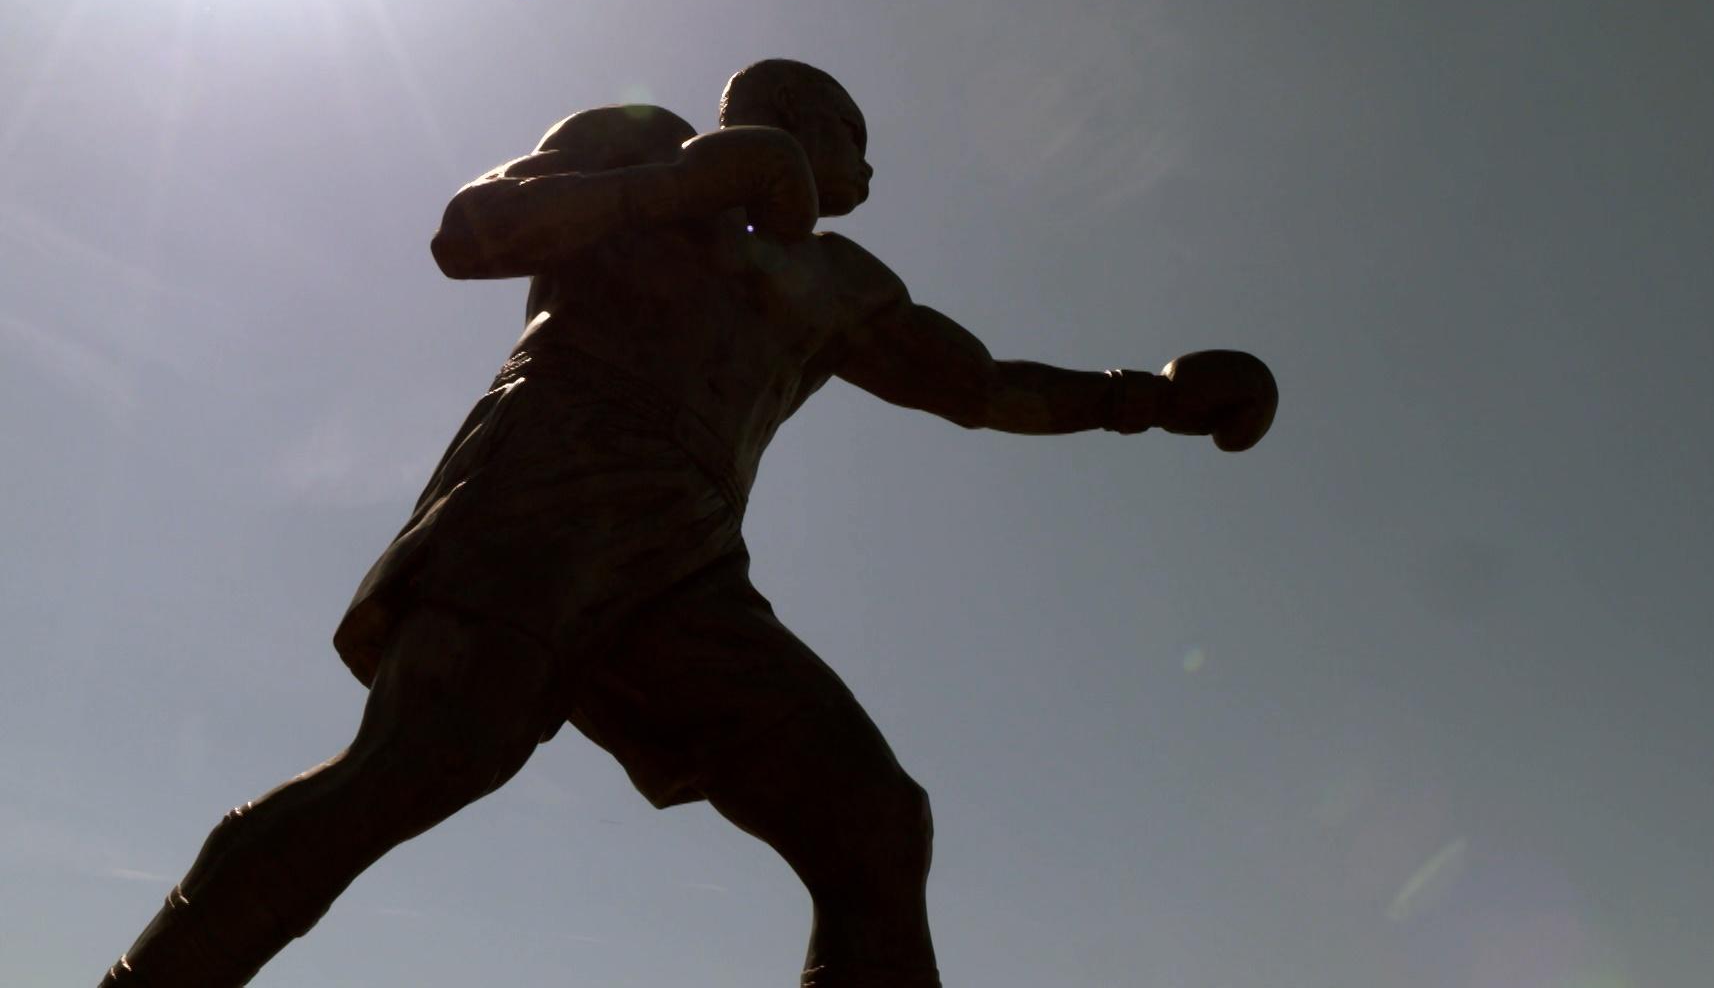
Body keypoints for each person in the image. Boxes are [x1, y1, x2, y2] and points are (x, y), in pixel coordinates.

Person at [102, 58, 1277, 987]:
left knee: (869, 818)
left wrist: (1157, 399)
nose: (866, 183)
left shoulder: (843, 286)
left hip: (687, 553)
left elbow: (980, 387)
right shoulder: (646, 145)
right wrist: (701, 181)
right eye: (857, 152)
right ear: (802, 121)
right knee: (423, 763)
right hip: (547, 482)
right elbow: (474, 232)